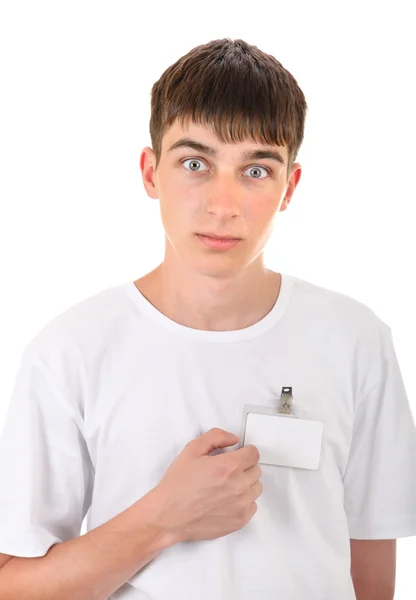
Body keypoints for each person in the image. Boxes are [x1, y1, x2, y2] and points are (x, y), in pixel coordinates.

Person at [0, 37, 415, 600]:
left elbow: (371, 572)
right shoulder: (70, 351)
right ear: (151, 173)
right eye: (195, 163)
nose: (223, 204)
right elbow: (14, 586)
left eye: (257, 170)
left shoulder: (355, 340)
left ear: (289, 186)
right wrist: (163, 518)